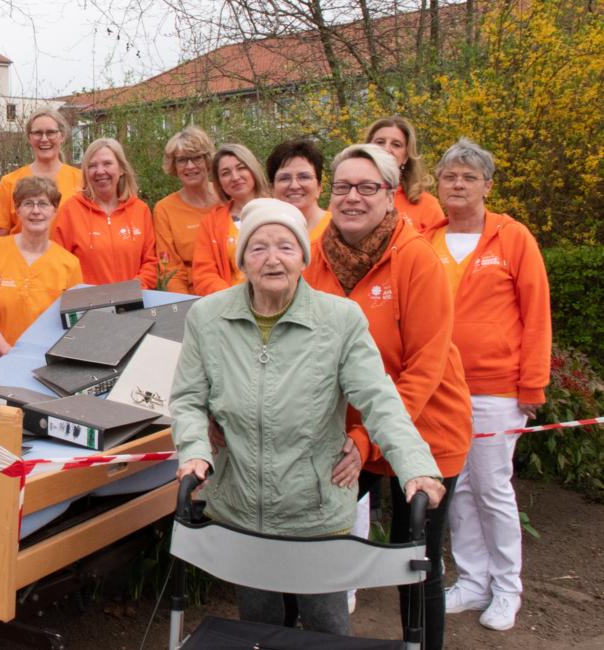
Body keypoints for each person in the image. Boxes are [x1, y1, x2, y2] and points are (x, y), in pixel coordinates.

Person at [172, 197, 446, 637]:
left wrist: (415, 466)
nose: (273, 259)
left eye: (285, 246)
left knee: (326, 629)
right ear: (242, 260)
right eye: (258, 248)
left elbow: (380, 400)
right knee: (257, 628)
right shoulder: (208, 317)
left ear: (304, 256)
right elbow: (187, 398)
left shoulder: (339, 320)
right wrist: (194, 450)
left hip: (315, 509)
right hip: (242, 506)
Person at [305, 144, 473, 649]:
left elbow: (424, 367)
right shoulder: (315, 254)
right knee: (310, 537)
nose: (352, 197)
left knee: (413, 559)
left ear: (390, 194)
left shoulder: (417, 258)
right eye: (342, 186)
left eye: (366, 187)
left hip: (423, 431)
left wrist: (368, 438)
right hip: (349, 434)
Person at [424, 139, 551, 632]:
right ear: (437, 184)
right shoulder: (427, 237)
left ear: (487, 186)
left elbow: (537, 313)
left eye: (468, 177)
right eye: (450, 176)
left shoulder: (513, 238)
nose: (458, 184)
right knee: (456, 490)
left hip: (497, 387)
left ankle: (507, 589)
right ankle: (473, 581)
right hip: (442, 388)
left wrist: (532, 386)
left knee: (494, 489)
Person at [0, 177, 82, 368]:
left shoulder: (69, 264)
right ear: (17, 209)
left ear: (54, 209)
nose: (36, 211)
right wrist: (10, 354)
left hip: (42, 366)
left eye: (43, 204)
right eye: (28, 203)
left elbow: (71, 326)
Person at [51, 138, 158, 288]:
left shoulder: (141, 210)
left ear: (121, 169)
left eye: (107, 163)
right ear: (86, 172)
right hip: (88, 305)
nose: (100, 171)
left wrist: (135, 289)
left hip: (134, 303)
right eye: (92, 165)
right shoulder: (70, 211)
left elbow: (150, 262)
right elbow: (57, 265)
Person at [0, 108, 84, 236]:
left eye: (50, 132)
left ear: (62, 136)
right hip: (21, 255)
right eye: (38, 133)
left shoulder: (82, 180)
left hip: (68, 255)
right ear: (29, 138)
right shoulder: (10, 182)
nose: (44, 139)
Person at [191, 143, 270, 295]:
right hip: (231, 307)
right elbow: (204, 275)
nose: (235, 177)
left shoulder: (279, 210)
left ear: (253, 169)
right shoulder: (211, 223)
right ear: (219, 183)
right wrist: (234, 300)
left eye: (241, 168)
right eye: (226, 173)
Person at [153, 126, 219, 294]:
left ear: (207, 160)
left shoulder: (229, 197)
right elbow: (171, 270)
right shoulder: (164, 210)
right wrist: (183, 307)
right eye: (182, 160)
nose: (189, 166)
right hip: (193, 298)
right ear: (174, 165)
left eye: (196, 158)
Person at [365, 116, 444, 231]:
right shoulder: (348, 195)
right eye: (380, 142)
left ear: (406, 157)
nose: (386, 149)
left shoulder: (427, 205)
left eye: (396, 144)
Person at [266, 138, 330, 240]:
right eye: (284, 178)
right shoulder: (261, 233)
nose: (294, 186)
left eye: (304, 177)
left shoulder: (339, 230)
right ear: (271, 188)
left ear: (319, 186)